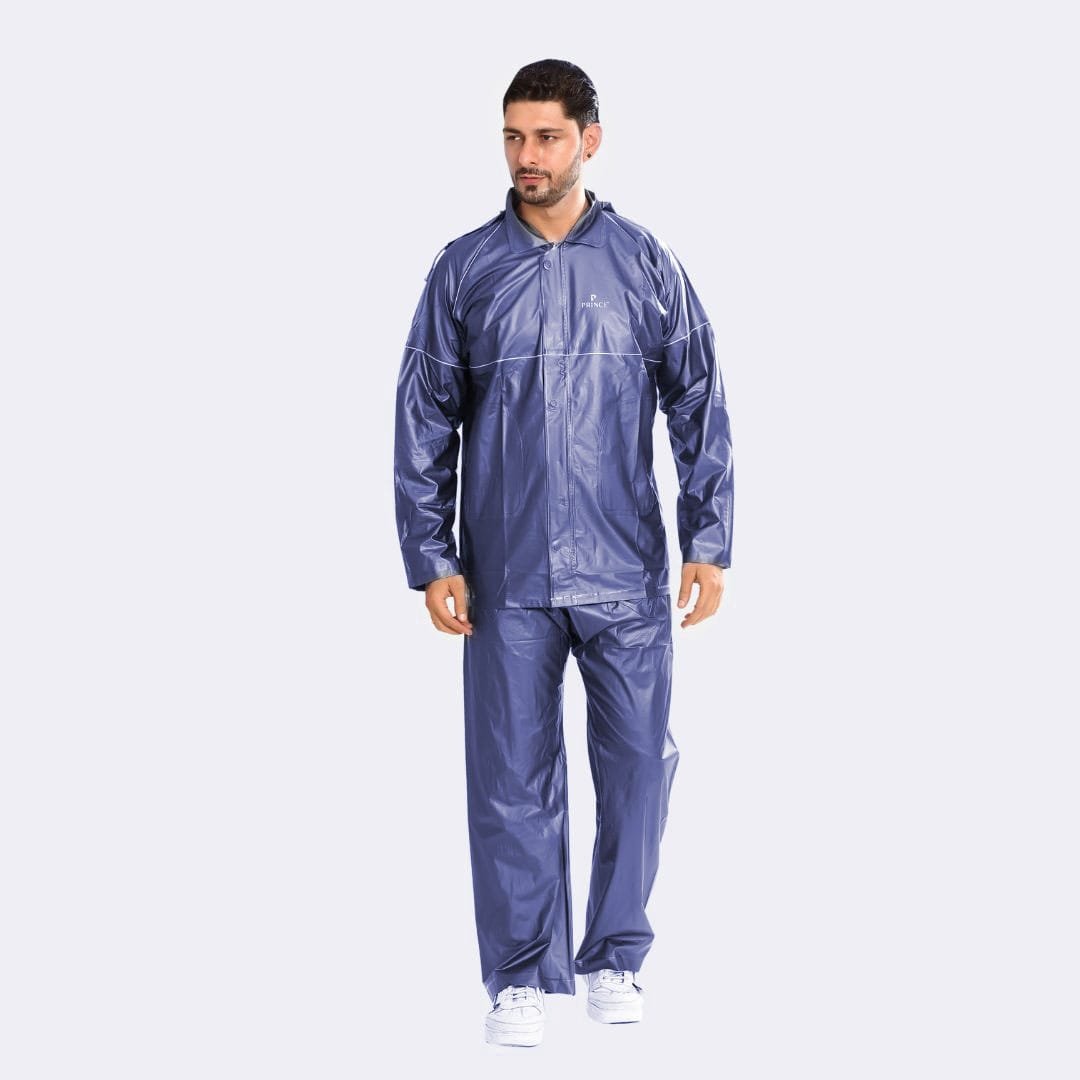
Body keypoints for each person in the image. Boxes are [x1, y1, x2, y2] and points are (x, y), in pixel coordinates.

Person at [393, 58, 734, 1047]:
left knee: (637, 769)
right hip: (505, 573)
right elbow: (424, 416)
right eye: (513, 136)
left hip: (625, 568)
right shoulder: (465, 269)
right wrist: (432, 554)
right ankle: (519, 977)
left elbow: (699, 398)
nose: (526, 156)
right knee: (509, 778)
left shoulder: (645, 265)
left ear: (590, 139)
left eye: (545, 136)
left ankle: (615, 956)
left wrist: (708, 537)